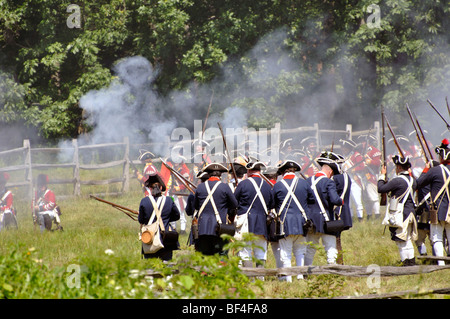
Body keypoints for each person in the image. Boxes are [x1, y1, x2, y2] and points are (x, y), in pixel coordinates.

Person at [273, 160, 315, 281]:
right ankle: (300, 276)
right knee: (300, 251)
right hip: (302, 222)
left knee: (285, 253)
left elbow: (273, 203)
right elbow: (311, 200)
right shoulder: (304, 183)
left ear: (282, 172)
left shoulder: (278, 185)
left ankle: (288, 279)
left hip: (284, 223)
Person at [234, 160, 274, 270]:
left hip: (246, 222)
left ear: (249, 171)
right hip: (262, 222)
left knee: (245, 251)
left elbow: (234, 202)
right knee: (261, 251)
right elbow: (271, 204)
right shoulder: (267, 186)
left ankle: (249, 277)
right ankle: (260, 277)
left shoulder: (243, 184)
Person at [305, 152, 344, 266]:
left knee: (310, 249)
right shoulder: (329, 182)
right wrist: (341, 200)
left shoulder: (308, 181)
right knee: (330, 246)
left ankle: (307, 271)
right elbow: (335, 200)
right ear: (331, 171)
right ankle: (332, 269)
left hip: (311, 220)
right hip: (326, 220)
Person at [378, 155, 418, 266]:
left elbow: (380, 189)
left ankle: (405, 263)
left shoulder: (397, 180)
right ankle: (411, 262)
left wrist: (382, 175)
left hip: (401, 214)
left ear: (399, 167)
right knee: (408, 239)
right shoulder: (413, 181)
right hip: (410, 213)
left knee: (401, 240)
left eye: (396, 167)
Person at [417, 139, 450, 265]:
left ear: (441, 157)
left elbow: (418, 184)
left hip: (438, 209)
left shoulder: (435, 171)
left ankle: (441, 264)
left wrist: (426, 170)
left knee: (436, 238)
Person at [193, 163, 238, 256]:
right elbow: (234, 204)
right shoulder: (224, 187)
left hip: (203, 228)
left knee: (204, 257)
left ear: (208, 174)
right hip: (219, 228)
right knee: (221, 256)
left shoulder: (200, 187)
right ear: (220, 175)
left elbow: (196, 206)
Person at [138, 173, 180, 261]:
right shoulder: (169, 200)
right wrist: (166, 218)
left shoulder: (144, 201)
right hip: (166, 238)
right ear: (161, 187)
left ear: (150, 188)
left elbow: (140, 220)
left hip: (150, 237)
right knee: (167, 266)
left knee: (150, 267)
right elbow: (176, 216)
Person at [330, 152, 353, 264]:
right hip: (345, 213)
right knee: (337, 239)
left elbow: (332, 197)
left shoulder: (335, 178)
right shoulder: (346, 176)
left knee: (335, 239)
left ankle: (338, 264)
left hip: (337, 212)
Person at [340, 139, 365, 221]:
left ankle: (360, 218)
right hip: (346, 180)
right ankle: (350, 217)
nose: (343, 149)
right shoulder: (343, 157)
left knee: (357, 201)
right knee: (348, 202)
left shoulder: (356, 155)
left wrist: (353, 170)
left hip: (354, 180)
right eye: (343, 147)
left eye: (345, 147)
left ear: (349, 148)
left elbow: (362, 166)